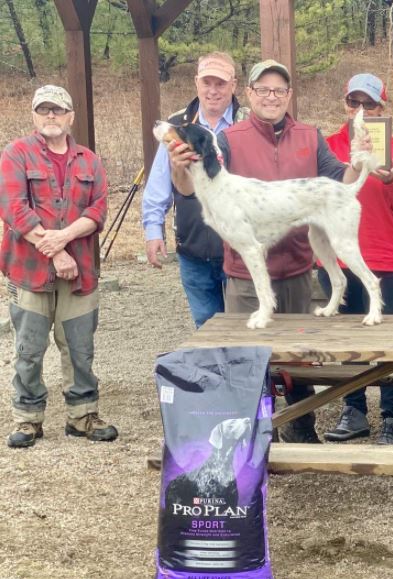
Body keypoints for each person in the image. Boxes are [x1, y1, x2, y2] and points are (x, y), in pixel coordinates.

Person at [168, 59, 371, 443]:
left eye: (279, 90)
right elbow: (193, 186)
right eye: (263, 90)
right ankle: (251, 440)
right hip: (245, 278)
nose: (271, 97)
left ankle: (300, 429)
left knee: (297, 362)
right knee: (247, 364)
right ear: (250, 94)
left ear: (289, 95)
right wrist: (179, 167)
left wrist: (358, 159)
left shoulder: (311, 136)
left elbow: (337, 180)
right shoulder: (228, 138)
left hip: (296, 271)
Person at [0, 85, 118, 448]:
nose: (51, 116)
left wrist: (64, 237)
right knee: (28, 349)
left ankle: (82, 415)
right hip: (29, 271)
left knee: (80, 347)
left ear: (70, 117)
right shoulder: (16, 153)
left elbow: (97, 209)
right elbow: (13, 207)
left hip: (80, 272)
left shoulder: (89, 161)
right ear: (34, 115)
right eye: (44, 110)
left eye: (58, 110)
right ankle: (28, 418)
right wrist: (55, 251)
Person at [320, 73, 393, 445]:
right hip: (342, 262)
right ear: (346, 105)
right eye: (354, 103)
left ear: (383, 107)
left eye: (370, 104)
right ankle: (354, 409)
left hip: (390, 261)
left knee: (388, 342)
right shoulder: (328, 146)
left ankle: (392, 414)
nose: (361, 110)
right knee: (350, 341)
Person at [142, 51, 248, 328]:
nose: (213, 91)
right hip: (194, 250)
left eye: (221, 83)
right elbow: (158, 183)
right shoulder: (176, 125)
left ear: (234, 85)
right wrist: (153, 231)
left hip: (239, 248)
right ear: (196, 83)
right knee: (206, 326)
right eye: (207, 82)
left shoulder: (249, 123)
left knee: (245, 328)